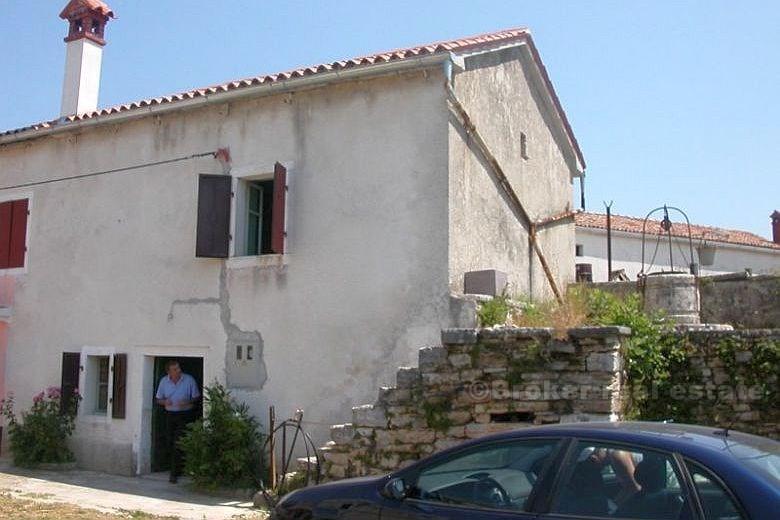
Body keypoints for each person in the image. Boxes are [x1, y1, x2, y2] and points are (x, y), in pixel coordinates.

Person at [155, 360, 200, 483]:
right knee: (170, 441)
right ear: (169, 372)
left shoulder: (189, 380)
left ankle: (174, 473)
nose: (178, 371)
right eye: (175, 369)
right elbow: (158, 399)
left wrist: (188, 402)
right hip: (170, 414)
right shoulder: (164, 381)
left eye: (178, 368)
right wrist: (165, 402)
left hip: (185, 414)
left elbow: (197, 397)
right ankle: (174, 467)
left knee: (178, 442)